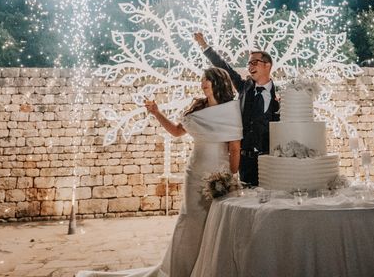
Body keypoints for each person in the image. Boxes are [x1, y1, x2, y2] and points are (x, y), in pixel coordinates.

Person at [77, 67, 242, 277]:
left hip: (221, 174)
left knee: (217, 223)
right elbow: (175, 132)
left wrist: (231, 176)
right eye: (202, 79)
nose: (203, 82)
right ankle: (180, 270)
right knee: (190, 220)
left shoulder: (231, 109)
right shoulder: (197, 108)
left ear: (219, 82)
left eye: (207, 79)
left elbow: (235, 148)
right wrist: (156, 113)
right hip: (196, 171)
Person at [193, 32, 279, 186]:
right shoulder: (244, 87)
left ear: (267, 65)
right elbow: (224, 66)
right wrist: (205, 46)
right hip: (245, 162)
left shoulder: (281, 95)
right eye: (249, 63)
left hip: (270, 162)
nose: (250, 66)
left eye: (254, 63)